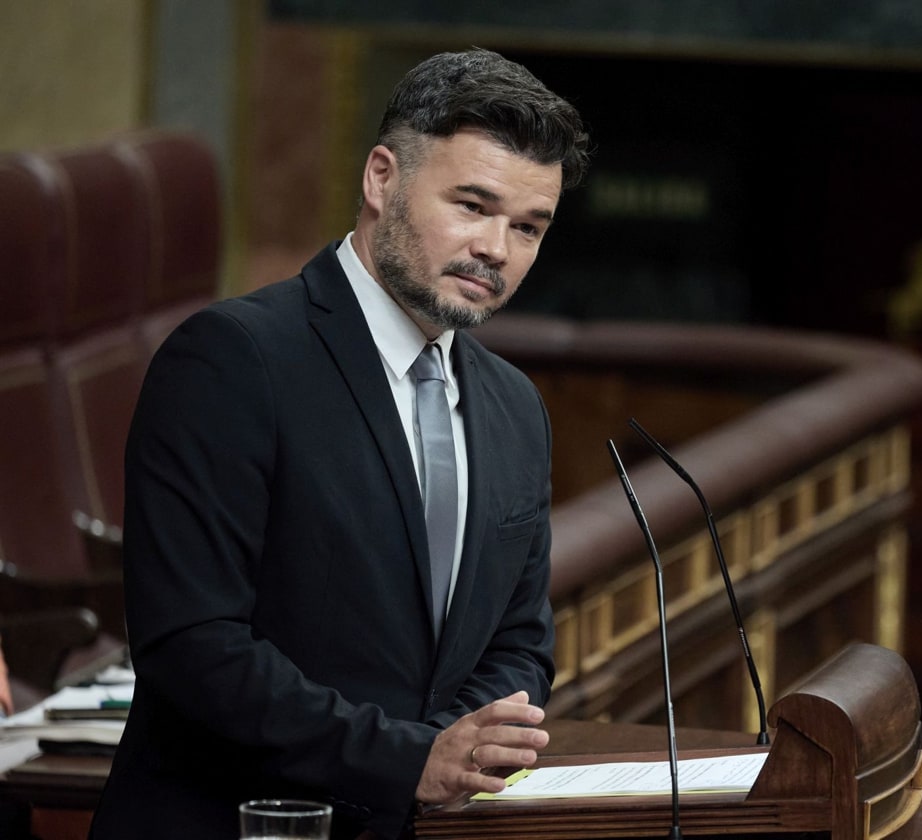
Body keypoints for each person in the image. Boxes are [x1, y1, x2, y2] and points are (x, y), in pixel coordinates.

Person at [88, 47, 590, 840]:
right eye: (471, 205)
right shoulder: (232, 358)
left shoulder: (514, 406)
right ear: (381, 178)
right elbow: (193, 645)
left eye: (528, 226)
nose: (497, 248)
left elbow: (518, 643)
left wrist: (457, 755)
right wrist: (406, 761)